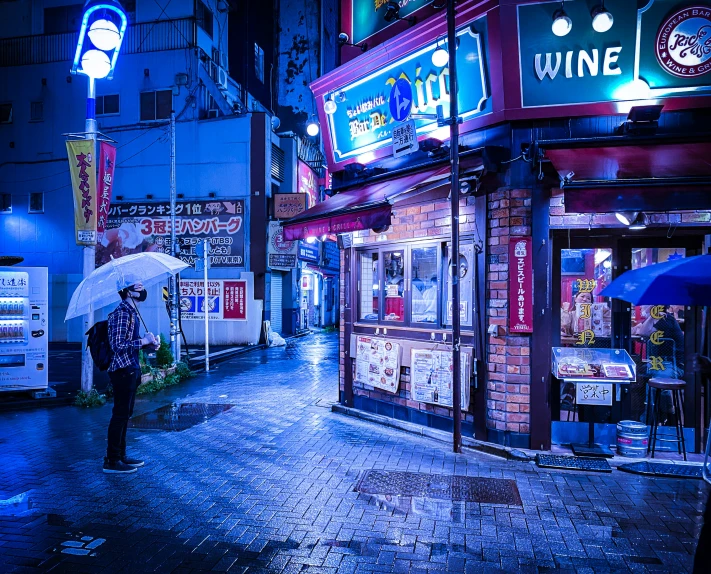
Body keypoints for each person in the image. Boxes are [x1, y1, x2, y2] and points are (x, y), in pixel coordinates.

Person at [103, 283, 159, 474]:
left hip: (131, 368)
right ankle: (111, 460)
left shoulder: (133, 313)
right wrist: (143, 341)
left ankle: (121, 456)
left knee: (125, 415)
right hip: (122, 370)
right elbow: (117, 345)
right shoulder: (122, 313)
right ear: (127, 292)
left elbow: (130, 344)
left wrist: (149, 345)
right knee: (119, 415)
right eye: (138, 287)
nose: (142, 290)